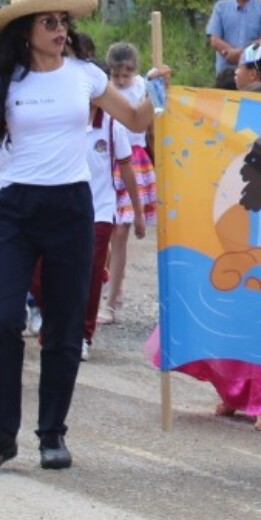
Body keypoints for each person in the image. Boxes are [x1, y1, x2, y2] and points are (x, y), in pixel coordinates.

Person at [0, 0, 164, 473]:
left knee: (63, 327)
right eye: (48, 22)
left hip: (71, 210)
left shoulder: (86, 76)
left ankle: (52, 433)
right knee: (4, 319)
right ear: (25, 30)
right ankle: (2, 433)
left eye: (63, 22)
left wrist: (155, 91)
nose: (60, 30)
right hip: (14, 211)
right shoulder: (0, 82)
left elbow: (137, 122)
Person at [100, 43, 156, 323]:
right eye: (116, 75)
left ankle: (112, 299)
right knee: (105, 230)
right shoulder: (104, 89)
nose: (121, 81)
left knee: (121, 232)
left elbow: (152, 123)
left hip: (134, 161)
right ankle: (109, 279)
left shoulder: (143, 87)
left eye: (127, 75)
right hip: (106, 160)